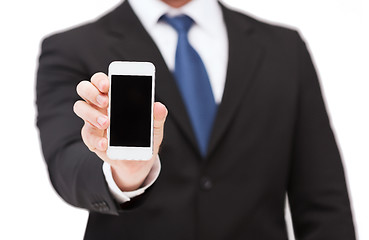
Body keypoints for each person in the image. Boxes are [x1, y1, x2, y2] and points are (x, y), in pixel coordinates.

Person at [36, 0, 356, 239]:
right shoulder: (71, 49)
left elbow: (324, 202)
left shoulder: (285, 50)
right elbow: (67, 163)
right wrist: (126, 172)